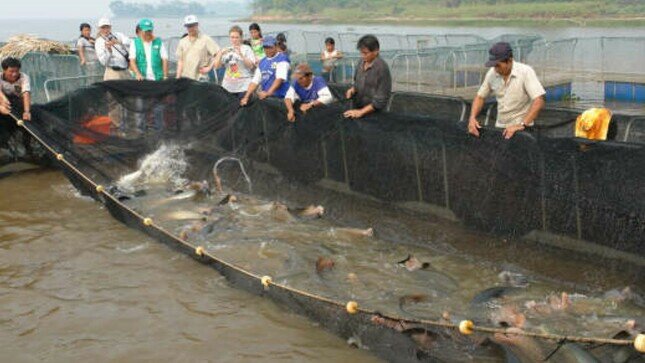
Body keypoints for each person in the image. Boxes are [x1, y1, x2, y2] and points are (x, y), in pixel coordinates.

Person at [468, 42, 545, 140]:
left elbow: (539, 100)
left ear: (509, 61)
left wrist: (522, 124)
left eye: (498, 65)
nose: (495, 69)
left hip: (523, 129)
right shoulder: (492, 73)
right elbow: (480, 97)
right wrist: (472, 117)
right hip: (500, 128)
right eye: (493, 65)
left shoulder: (525, 72)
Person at [344, 35, 392, 119]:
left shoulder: (382, 68)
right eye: (361, 52)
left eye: (365, 53)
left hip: (375, 114)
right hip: (357, 108)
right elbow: (356, 83)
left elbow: (381, 100)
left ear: (376, 51)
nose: (362, 56)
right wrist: (353, 89)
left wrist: (361, 112)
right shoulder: (360, 63)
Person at [206, 25, 255, 98]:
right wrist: (220, 54)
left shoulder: (247, 49)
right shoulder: (226, 50)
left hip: (244, 87)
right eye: (232, 37)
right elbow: (217, 66)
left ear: (241, 38)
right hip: (228, 87)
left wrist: (241, 55)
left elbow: (251, 66)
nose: (234, 40)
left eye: (236, 37)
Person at [240, 36, 290, 106]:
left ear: (276, 46)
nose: (268, 50)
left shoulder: (282, 59)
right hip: (267, 99)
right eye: (265, 47)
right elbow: (255, 81)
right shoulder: (262, 62)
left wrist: (268, 93)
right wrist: (246, 97)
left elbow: (279, 79)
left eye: (270, 47)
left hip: (281, 99)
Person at [175, 15, 220, 81]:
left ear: (197, 25)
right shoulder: (182, 41)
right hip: (185, 78)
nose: (191, 28)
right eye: (188, 26)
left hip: (201, 78)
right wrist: (177, 78)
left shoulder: (206, 39)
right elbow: (180, 61)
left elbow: (218, 53)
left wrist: (209, 67)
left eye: (193, 25)